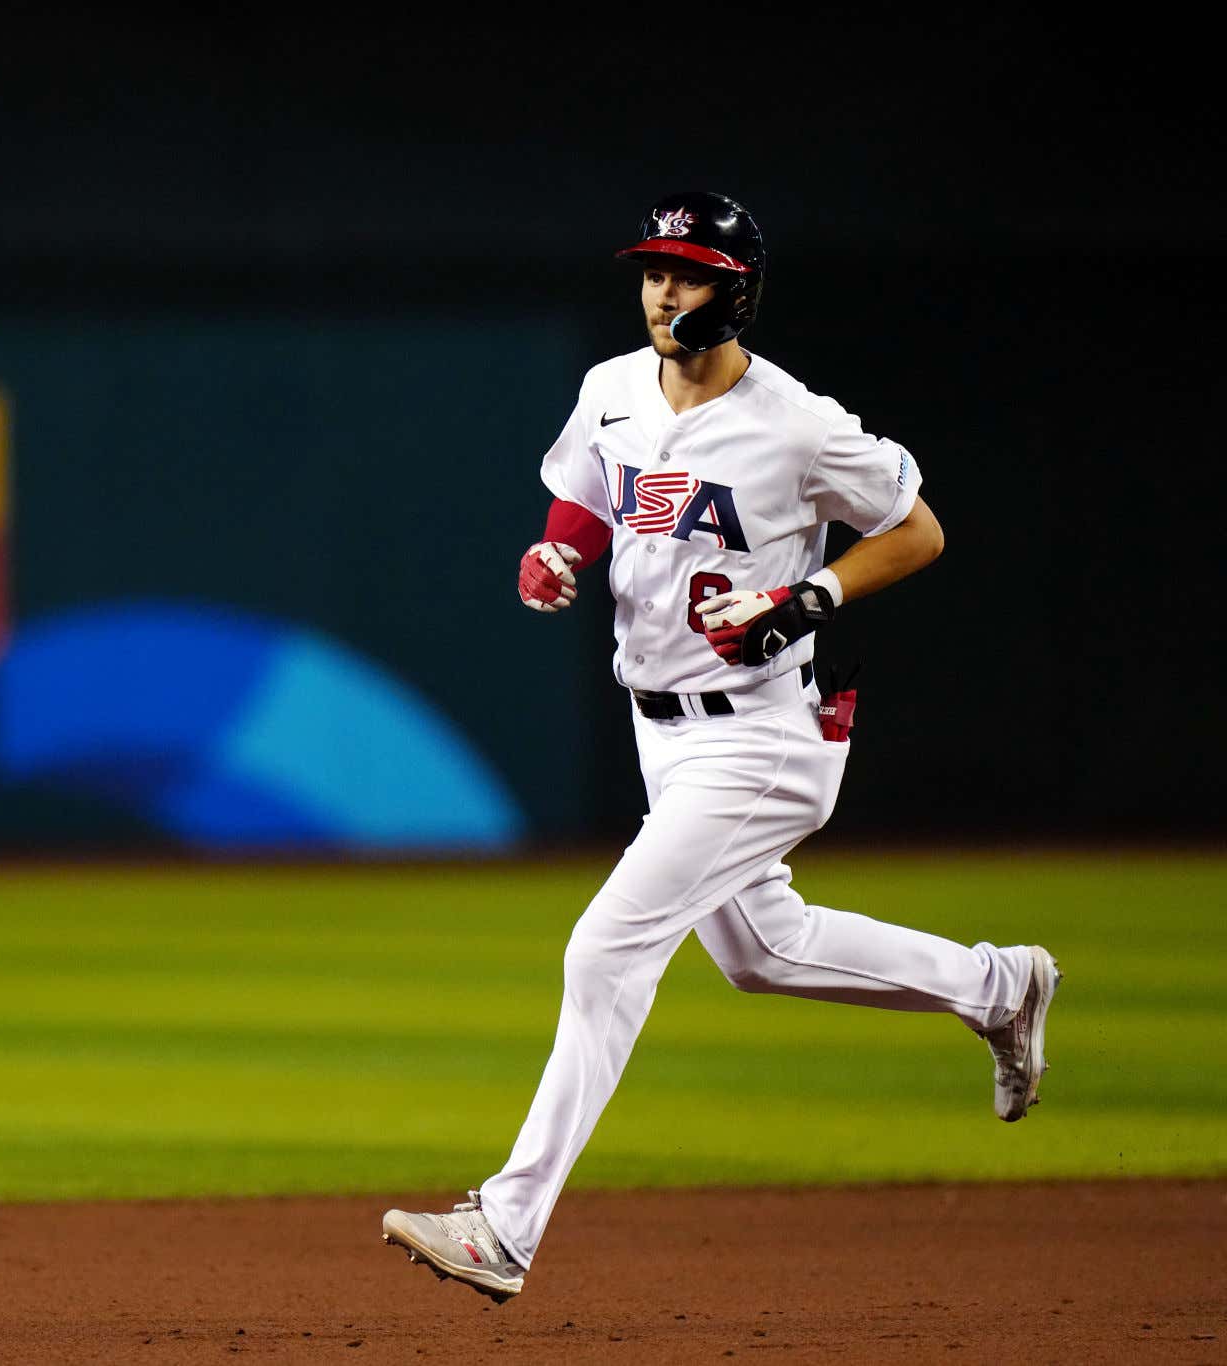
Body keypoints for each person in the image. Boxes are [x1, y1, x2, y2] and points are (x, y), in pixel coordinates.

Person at [380, 191, 1059, 1304]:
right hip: (663, 731)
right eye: (652, 268)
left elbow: (917, 528)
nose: (661, 289)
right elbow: (585, 505)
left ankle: (504, 1226)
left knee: (603, 950)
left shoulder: (794, 422)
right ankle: (995, 986)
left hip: (762, 733)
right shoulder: (610, 389)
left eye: (686, 273)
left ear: (733, 290)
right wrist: (549, 561)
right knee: (761, 950)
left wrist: (810, 594)